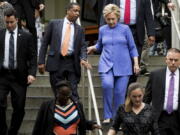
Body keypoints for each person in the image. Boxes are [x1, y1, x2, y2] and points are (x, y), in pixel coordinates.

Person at [87, 4, 140, 123]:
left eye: (113, 19)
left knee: (120, 93)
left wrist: (136, 64)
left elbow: (132, 48)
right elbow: (100, 45)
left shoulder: (125, 29)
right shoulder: (102, 29)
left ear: (118, 17)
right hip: (106, 64)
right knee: (107, 85)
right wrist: (93, 47)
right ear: (105, 18)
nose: (111, 22)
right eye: (108, 19)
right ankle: (107, 115)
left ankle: (117, 118)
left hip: (124, 65)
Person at [38, 2, 90, 100]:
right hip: (56, 62)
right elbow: (44, 43)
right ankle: (60, 114)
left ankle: (77, 114)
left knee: (73, 93)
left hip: (72, 63)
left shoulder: (80, 29)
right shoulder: (54, 23)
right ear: (68, 11)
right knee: (58, 94)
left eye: (79, 11)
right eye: (75, 11)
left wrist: (83, 58)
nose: (78, 13)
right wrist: (41, 62)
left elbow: (83, 46)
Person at [0, 9, 37, 135]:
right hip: (2, 76)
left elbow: (32, 57)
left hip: (19, 77)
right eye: (7, 22)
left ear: (17, 20)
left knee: (19, 108)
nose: (9, 25)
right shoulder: (0, 34)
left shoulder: (26, 36)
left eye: (11, 22)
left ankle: (12, 132)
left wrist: (32, 73)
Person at [100, 0, 155, 83]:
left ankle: (130, 90)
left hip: (136, 31)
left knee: (135, 61)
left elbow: (148, 14)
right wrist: (103, 30)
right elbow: (105, 12)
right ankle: (118, 86)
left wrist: (151, 33)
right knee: (117, 60)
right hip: (116, 29)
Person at [32, 80, 101, 135]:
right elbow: (38, 126)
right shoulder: (47, 105)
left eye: (68, 95)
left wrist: (91, 125)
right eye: (63, 95)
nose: (66, 97)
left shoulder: (77, 104)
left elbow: (81, 121)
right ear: (57, 93)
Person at [144, 48, 180, 135]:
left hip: (178, 118)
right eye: (171, 59)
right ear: (166, 60)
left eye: (176, 60)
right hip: (160, 117)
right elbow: (147, 98)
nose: (173, 62)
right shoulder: (155, 75)